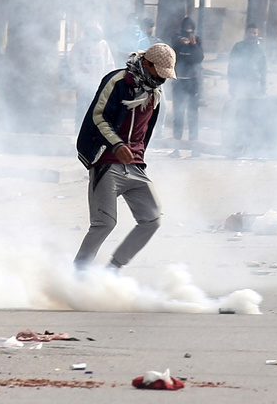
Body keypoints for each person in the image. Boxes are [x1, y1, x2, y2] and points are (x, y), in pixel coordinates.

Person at [73, 43, 177, 272]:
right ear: (147, 64)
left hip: (135, 164)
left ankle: (113, 269)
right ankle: (77, 276)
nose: (163, 78)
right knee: (104, 223)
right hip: (107, 161)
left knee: (152, 219)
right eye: (159, 71)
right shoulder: (118, 81)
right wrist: (117, 144)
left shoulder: (155, 92)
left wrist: (136, 155)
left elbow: (146, 130)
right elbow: (97, 117)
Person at [227, 24, 267, 154]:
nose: (252, 35)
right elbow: (231, 67)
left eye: (255, 33)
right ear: (246, 33)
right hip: (240, 84)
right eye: (250, 33)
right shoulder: (238, 47)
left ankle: (253, 145)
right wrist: (232, 86)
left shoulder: (260, 49)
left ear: (258, 34)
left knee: (255, 115)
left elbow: (263, 69)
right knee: (241, 114)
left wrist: (263, 87)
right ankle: (238, 143)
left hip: (254, 84)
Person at [69, 22, 115, 124]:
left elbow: (109, 64)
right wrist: (78, 80)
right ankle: (79, 128)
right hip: (83, 81)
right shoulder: (80, 44)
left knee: (97, 108)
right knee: (82, 106)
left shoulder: (103, 44)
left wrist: (109, 82)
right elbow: (73, 63)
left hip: (99, 81)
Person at [171, 17, 204, 149]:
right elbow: (173, 55)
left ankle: (194, 147)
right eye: (186, 28)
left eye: (191, 28)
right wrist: (181, 42)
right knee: (178, 115)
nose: (188, 31)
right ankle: (176, 148)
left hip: (192, 82)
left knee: (193, 115)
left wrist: (194, 44)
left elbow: (199, 58)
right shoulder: (176, 39)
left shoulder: (197, 40)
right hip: (179, 81)